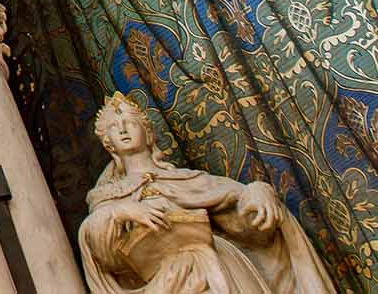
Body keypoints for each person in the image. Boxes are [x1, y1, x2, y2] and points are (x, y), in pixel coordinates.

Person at [77, 93, 334, 294]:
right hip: (166, 282)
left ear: (149, 134)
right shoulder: (107, 196)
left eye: (130, 122)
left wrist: (257, 191)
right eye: (114, 126)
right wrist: (120, 211)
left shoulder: (187, 179)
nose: (122, 129)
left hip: (220, 267)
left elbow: (241, 216)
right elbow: (101, 253)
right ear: (107, 143)